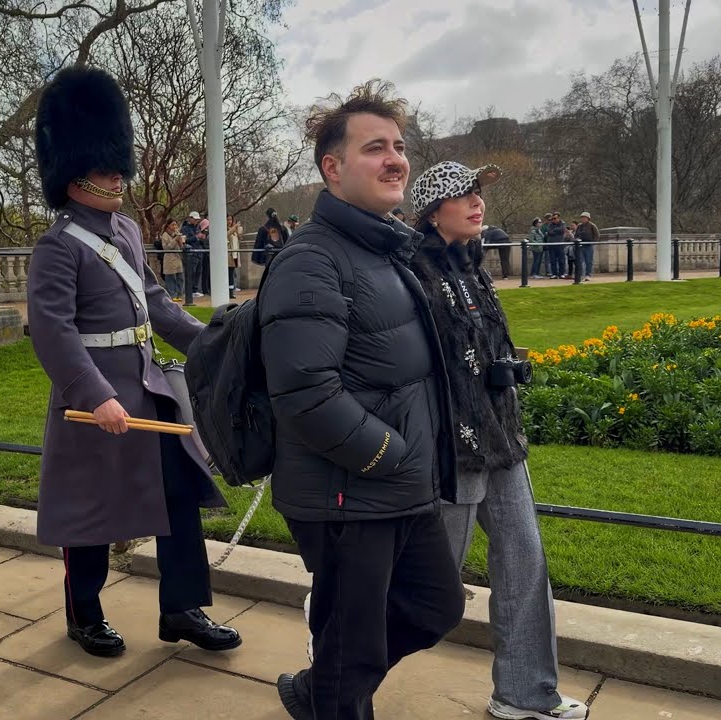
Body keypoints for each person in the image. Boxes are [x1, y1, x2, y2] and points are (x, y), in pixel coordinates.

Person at [261, 80, 464, 720]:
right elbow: (304, 390)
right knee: (351, 650)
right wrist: (388, 455)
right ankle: (331, 695)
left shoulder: (384, 246)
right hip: (350, 492)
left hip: (400, 483)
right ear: (333, 167)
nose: (395, 159)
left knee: (436, 605)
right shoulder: (311, 259)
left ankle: (316, 690)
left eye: (399, 146)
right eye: (375, 148)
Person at [27, 66, 241, 659]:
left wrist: (215, 344)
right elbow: (53, 331)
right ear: (75, 174)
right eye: (105, 168)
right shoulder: (57, 245)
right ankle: (85, 612)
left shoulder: (123, 230)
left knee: (179, 496)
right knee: (90, 513)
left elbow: (155, 307)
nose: (117, 176)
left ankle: (182, 608)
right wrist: (94, 395)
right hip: (95, 402)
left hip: (147, 392)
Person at [407, 161, 589, 720]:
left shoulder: (475, 267)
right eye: (463, 194)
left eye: (478, 193)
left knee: (524, 561)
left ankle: (524, 694)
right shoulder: (411, 271)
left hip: (503, 440)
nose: (476, 202)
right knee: (429, 586)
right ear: (434, 211)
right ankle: (335, 657)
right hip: (452, 447)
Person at [159, 218, 186, 301]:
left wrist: (181, 241)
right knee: (171, 278)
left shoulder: (176, 234)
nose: (175, 226)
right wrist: (175, 239)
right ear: (168, 225)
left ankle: (179, 295)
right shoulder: (165, 235)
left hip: (177, 259)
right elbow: (167, 247)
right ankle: (172, 295)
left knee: (180, 278)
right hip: (169, 260)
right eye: (172, 225)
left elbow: (181, 247)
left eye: (176, 225)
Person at [574, 212, 599, 282]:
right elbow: (576, 235)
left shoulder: (592, 226)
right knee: (580, 261)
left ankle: (588, 275)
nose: (583, 219)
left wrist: (592, 242)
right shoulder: (579, 226)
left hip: (588, 246)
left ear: (588, 218)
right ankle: (581, 274)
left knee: (588, 261)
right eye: (582, 218)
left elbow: (597, 235)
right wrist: (577, 240)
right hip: (581, 246)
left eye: (584, 218)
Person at [544, 212, 566, 279]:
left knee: (561, 260)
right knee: (552, 260)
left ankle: (561, 273)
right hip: (552, 245)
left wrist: (553, 231)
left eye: (555, 218)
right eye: (552, 218)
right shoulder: (550, 224)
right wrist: (554, 231)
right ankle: (554, 274)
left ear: (559, 218)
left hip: (560, 244)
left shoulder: (563, 223)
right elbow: (548, 231)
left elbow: (562, 230)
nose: (553, 220)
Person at [226, 214, 242, 298]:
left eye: (230, 220)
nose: (229, 222)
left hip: (235, 254)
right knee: (228, 272)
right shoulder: (226, 229)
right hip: (228, 254)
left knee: (232, 272)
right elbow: (226, 234)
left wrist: (238, 231)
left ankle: (232, 290)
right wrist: (233, 228)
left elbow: (240, 238)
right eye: (228, 220)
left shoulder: (234, 230)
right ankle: (229, 291)